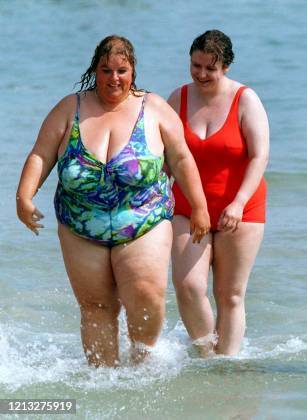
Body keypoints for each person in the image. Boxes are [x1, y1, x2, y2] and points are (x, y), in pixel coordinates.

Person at [15, 35, 210, 367]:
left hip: (143, 220)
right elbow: (40, 155)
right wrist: (24, 196)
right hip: (80, 225)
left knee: (146, 298)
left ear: (133, 70)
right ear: (95, 70)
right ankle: (103, 378)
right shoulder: (70, 108)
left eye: (122, 70)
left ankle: (143, 365)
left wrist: (200, 207)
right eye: (106, 70)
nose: (114, 78)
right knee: (95, 305)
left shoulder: (154, 108)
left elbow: (182, 159)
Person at [168, 30, 269, 356]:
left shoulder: (246, 100)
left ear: (225, 66)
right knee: (188, 287)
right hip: (186, 206)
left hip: (241, 206)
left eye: (209, 68)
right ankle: (206, 355)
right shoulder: (178, 99)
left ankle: (228, 363)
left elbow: (260, 155)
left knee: (231, 294)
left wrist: (238, 203)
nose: (200, 74)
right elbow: (165, 158)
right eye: (195, 65)